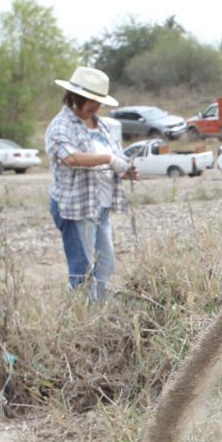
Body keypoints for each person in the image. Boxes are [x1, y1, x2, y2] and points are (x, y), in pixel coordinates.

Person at [45, 66, 134, 303]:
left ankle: (100, 310)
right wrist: (108, 160)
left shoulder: (101, 125)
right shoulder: (61, 126)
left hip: (101, 206)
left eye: (99, 102)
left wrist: (124, 169)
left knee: (105, 263)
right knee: (82, 267)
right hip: (76, 207)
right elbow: (71, 158)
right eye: (92, 101)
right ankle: (83, 315)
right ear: (75, 98)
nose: (96, 107)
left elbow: (116, 155)